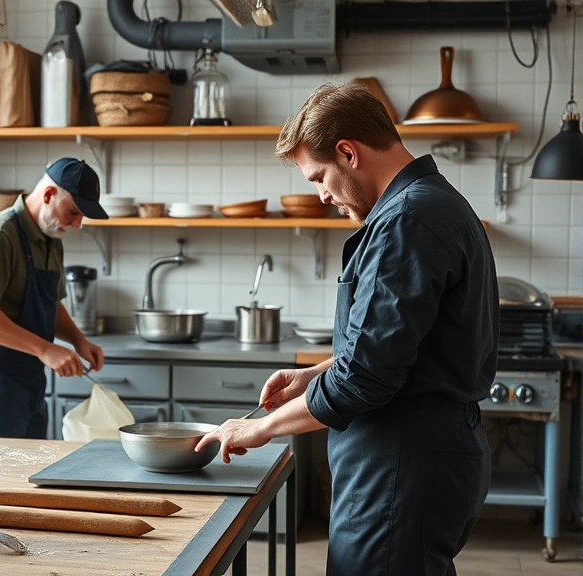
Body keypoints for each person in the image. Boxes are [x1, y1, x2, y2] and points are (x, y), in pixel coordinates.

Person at [196, 82, 498, 575]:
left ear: (347, 152)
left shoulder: (406, 221)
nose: (319, 195)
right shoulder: (433, 203)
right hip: (416, 458)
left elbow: (365, 378)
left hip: (400, 467)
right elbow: (397, 347)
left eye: (318, 176)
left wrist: (261, 428)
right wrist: (315, 374)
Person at [0, 158, 108, 439]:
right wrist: (46, 350)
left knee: (29, 468)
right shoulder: (1, 234)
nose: (77, 223)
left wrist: (78, 340)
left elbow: (50, 302)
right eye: (73, 211)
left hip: (29, 375)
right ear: (49, 195)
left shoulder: (50, 239)